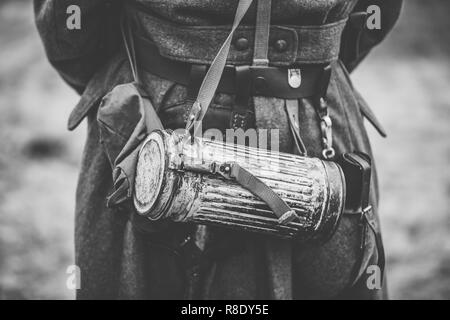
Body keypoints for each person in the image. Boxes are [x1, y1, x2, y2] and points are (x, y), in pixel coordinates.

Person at [34, 0, 402, 299]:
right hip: (311, 115)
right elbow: (374, 15)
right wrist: (301, 75)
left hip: (160, 123)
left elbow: (69, 33)